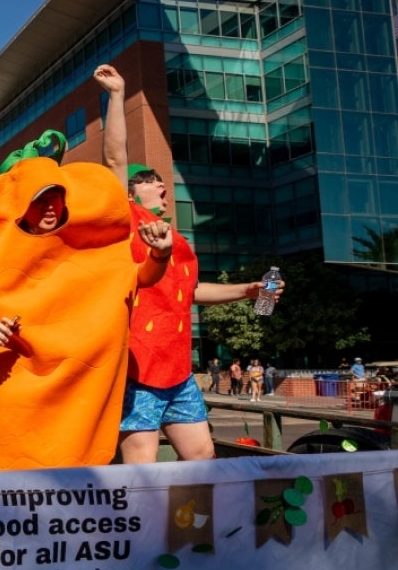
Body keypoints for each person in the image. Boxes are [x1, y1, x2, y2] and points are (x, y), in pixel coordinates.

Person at [93, 64, 285, 463]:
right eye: (148, 178)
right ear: (129, 192)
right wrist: (116, 95)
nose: (162, 183)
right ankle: (143, 528)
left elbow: (192, 292)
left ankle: (194, 528)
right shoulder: (124, 219)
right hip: (137, 369)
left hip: (178, 370)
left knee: (202, 457)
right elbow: (114, 157)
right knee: (141, 470)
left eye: (163, 178)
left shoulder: (178, 241)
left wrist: (247, 290)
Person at [0, 146, 173, 471]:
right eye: (39, 198)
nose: (50, 206)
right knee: (22, 487)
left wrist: (160, 255)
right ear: (21, 204)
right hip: (17, 390)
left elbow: (137, 278)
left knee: (77, 481)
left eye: (56, 196)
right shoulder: (0, 252)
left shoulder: (91, 247)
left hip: (80, 392)